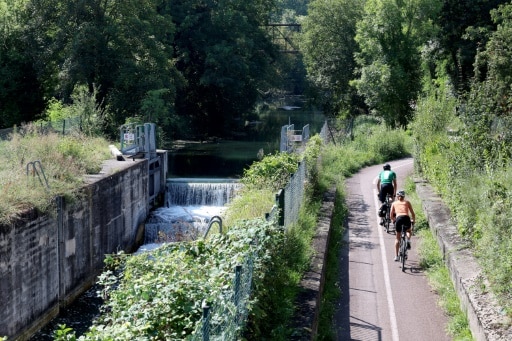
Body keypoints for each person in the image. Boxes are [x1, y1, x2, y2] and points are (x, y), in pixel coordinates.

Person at [390, 190, 415, 261]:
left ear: (398, 197)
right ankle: (408, 240)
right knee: (409, 230)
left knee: (397, 238)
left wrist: (393, 220)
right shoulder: (407, 202)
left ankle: (396, 256)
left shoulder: (394, 203)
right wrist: (413, 221)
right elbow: (413, 214)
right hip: (406, 218)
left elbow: (391, 215)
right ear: (404, 197)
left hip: (398, 218)